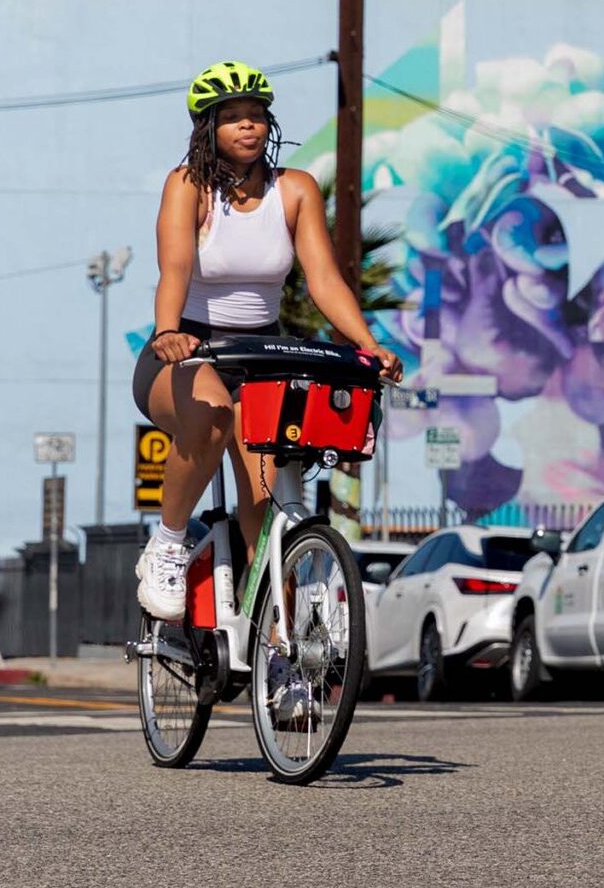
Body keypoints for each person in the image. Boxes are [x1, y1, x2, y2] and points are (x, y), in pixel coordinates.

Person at [130, 61, 403, 620]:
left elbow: (324, 279)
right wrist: (167, 332)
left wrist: (368, 343)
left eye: (256, 116)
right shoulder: (188, 187)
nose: (247, 127)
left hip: (262, 353)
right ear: (209, 128)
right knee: (210, 417)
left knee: (268, 499)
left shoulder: (294, 190)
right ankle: (168, 542)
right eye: (232, 118)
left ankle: (275, 639)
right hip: (191, 349)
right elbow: (175, 268)